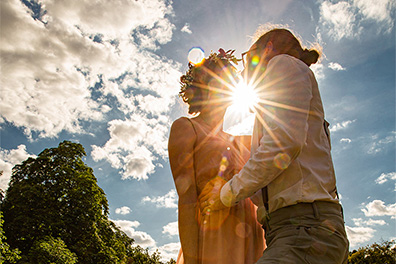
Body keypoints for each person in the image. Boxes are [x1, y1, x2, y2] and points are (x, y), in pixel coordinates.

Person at [201, 28, 350, 263]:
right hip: (298, 230)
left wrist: (225, 195)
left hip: (305, 230)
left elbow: (282, 144)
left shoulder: (282, 64)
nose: (243, 69)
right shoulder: (282, 92)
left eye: (247, 57)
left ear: (268, 49)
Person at [168, 49, 265, 264]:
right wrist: (192, 261)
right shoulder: (186, 128)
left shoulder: (242, 141)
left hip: (252, 238)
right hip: (216, 239)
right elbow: (186, 200)